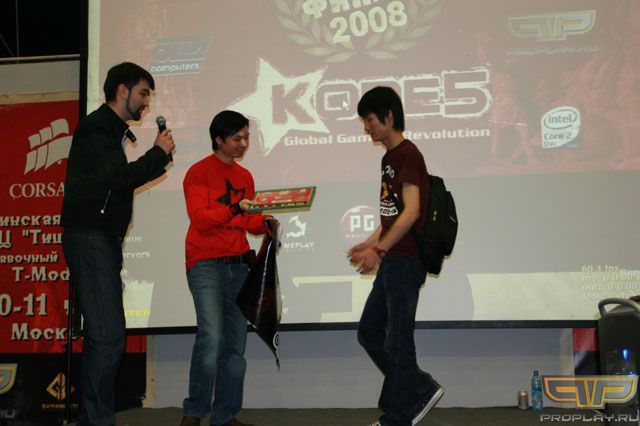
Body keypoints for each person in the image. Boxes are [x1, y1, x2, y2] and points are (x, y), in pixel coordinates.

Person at [61, 61, 175, 425]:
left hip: (100, 239)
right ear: (122, 90)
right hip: (91, 237)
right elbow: (118, 179)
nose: (146, 103)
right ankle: (95, 420)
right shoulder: (96, 128)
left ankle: (94, 419)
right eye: (143, 94)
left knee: (105, 335)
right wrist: (158, 154)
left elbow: (116, 181)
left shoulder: (107, 131)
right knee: (107, 336)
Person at [348, 87, 444, 426]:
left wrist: (379, 249)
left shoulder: (408, 154)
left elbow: (412, 211)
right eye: (364, 121)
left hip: (405, 260)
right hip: (393, 259)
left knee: (399, 340)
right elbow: (392, 214)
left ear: (389, 116)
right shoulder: (388, 159)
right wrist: (369, 243)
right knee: (369, 332)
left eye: (370, 120)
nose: (367, 128)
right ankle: (419, 386)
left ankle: (398, 417)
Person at [180, 110, 275, 426]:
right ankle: (194, 411)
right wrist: (236, 207)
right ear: (219, 139)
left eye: (246, 137)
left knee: (235, 346)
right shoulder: (198, 172)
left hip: (239, 267)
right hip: (205, 265)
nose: (243, 144)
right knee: (211, 339)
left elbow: (249, 221)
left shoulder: (245, 176)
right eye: (237, 138)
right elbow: (200, 219)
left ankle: (224, 415)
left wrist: (265, 223)